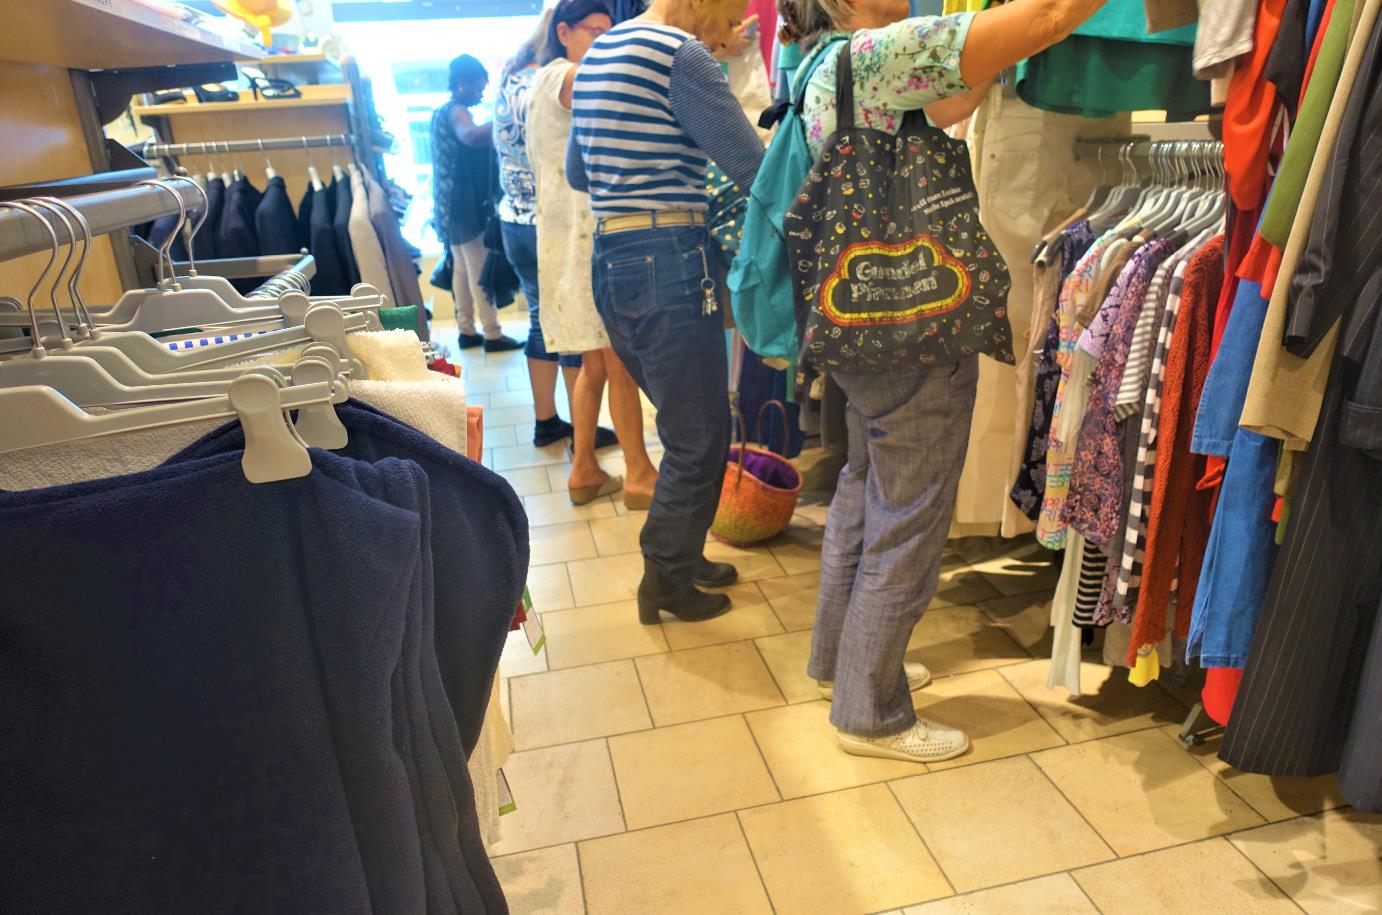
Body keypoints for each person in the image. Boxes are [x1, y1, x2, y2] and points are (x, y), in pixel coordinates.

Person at [777, 0, 1112, 764]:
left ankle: (840, 663)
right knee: (910, 520)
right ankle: (870, 713)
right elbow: (1048, 17)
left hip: (857, 318)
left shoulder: (827, 60)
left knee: (866, 489)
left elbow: (956, 100)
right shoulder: (887, 50)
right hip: (914, 329)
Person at [567, 0, 763, 625]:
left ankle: (683, 553)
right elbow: (749, 164)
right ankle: (665, 580)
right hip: (670, 256)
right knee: (699, 434)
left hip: (613, 257)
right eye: (728, 20)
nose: (727, 36)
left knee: (689, 426)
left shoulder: (601, 51)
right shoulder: (681, 54)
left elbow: (578, 172)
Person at [527, 0, 662, 508]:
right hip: (585, 240)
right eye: (595, 31)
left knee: (595, 363)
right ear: (563, 32)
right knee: (618, 358)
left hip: (568, 239)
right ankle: (639, 473)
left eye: (610, 31)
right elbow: (599, 79)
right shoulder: (559, 76)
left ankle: (584, 469)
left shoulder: (544, 80)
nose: (604, 41)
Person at [431, 54, 522, 352]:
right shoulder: (457, 112)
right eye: (478, 87)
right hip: (465, 203)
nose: (481, 94)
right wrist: (507, 119)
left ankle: (466, 330)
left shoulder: (441, 112)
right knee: (478, 267)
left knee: (461, 266)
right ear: (462, 84)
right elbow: (470, 136)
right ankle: (492, 333)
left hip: (448, 203)